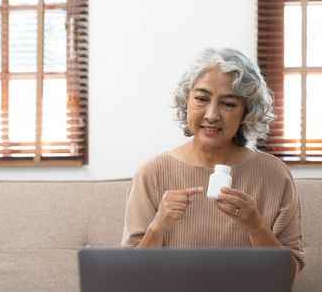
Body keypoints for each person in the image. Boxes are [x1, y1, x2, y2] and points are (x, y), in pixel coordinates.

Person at [121, 48, 305, 280]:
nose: (211, 114)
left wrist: (255, 225)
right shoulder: (152, 173)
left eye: (228, 104)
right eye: (201, 99)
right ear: (185, 101)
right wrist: (158, 227)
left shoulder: (274, 175)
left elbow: (287, 278)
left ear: (246, 112)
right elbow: (130, 276)